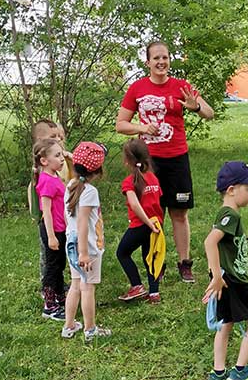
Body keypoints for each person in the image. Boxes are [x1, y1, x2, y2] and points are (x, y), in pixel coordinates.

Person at [116, 40, 214, 284]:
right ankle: (155, 263)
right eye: (156, 58)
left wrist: (196, 107)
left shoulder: (181, 86)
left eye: (165, 57)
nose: (161, 62)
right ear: (147, 62)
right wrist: (141, 127)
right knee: (152, 213)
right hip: (148, 162)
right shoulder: (137, 88)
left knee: (179, 213)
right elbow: (121, 124)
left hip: (177, 158)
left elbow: (209, 113)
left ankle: (184, 263)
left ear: (170, 60)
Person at [203, 161, 248, 380]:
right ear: (231, 190)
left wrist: (216, 275)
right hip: (232, 280)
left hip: (226, 278)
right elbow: (210, 242)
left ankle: (218, 372)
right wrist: (216, 277)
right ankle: (240, 371)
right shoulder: (231, 215)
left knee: (226, 323)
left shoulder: (227, 213)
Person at [62, 142, 111, 343]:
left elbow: (70, 220)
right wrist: (84, 253)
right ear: (98, 170)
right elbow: (83, 223)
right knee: (87, 287)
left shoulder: (71, 185)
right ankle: (90, 329)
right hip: (87, 248)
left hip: (71, 242)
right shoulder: (89, 191)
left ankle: (69, 326)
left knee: (75, 285)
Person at [116, 138, 164, 304]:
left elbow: (135, 205)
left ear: (127, 161)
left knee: (122, 253)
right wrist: (156, 223)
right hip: (156, 225)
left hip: (141, 225)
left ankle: (136, 286)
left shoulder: (129, 182)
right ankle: (154, 293)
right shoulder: (153, 178)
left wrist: (148, 223)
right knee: (150, 257)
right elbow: (158, 201)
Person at [34, 136, 68, 320]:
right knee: (52, 266)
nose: (61, 159)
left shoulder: (55, 176)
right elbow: (46, 211)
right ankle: (49, 305)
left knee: (60, 263)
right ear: (44, 161)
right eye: (57, 155)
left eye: (61, 154)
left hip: (61, 228)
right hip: (52, 230)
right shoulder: (46, 180)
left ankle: (60, 295)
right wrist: (52, 236)